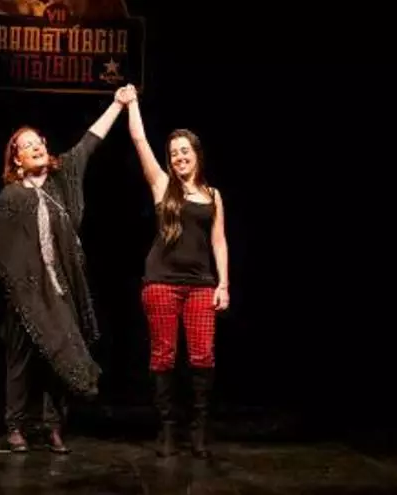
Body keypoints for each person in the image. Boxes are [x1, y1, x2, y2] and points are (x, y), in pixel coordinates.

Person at [0, 90, 128, 453]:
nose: (36, 146)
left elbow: (90, 141)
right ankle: (16, 426)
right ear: (17, 159)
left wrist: (117, 105)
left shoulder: (62, 177)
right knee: (21, 362)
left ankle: (53, 427)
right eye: (27, 145)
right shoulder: (11, 196)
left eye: (38, 141)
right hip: (24, 293)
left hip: (60, 289)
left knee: (58, 358)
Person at [121, 85, 230, 458]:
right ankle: (167, 428)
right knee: (163, 355)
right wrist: (132, 104)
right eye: (174, 153)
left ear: (196, 154)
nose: (179, 157)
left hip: (201, 285)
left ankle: (198, 429)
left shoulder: (213, 195)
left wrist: (224, 284)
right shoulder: (162, 185)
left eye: (185, 151)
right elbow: (139, 140)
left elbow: (219, 242)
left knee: (202, 356)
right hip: (161, 283)